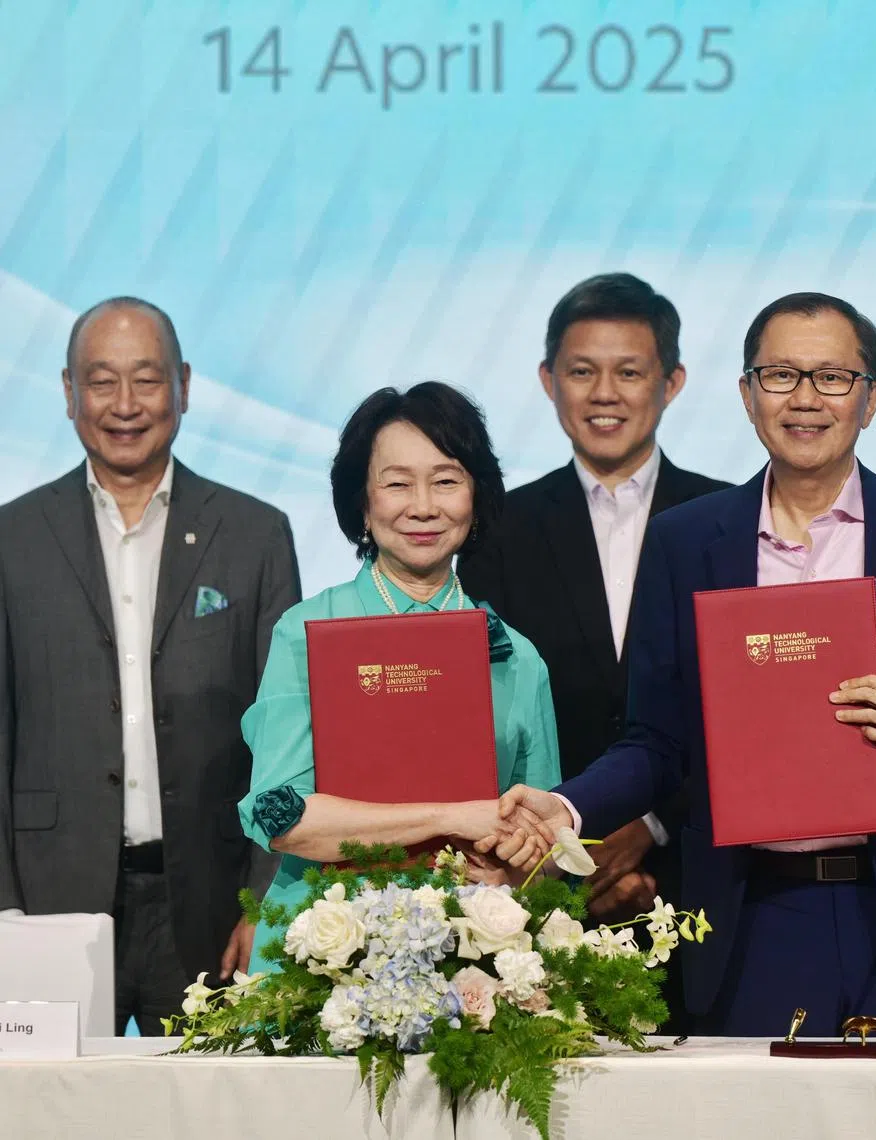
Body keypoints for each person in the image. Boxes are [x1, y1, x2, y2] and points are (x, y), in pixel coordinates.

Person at [489, 292, 876, 1036]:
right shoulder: (688, 542)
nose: (805, 399)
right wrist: (570, 807)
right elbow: (657, 739)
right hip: (750, 917)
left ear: (871, 399)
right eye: (780, 376)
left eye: (833, 378)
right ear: (747, 395)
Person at [0, 297, 301, 1034]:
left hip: (212, 899)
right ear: (69, 393)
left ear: (186, 386)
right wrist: (4, 911)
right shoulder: (13, 538)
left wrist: (266, 907)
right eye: (101, 382)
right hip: (47, 901)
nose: (125, 405)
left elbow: (290, 740)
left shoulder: (256, 535)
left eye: (147, 380)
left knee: (215, 1110)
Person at [239, 382, 561, 972]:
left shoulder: (518, 656)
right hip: (319, 952)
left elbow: (541, 855)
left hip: (471, 964)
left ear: (477, 495)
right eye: (396, 483)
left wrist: (517, 858)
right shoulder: (306, 631)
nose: (422, 506)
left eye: (446, 480)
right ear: (362, 500)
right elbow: (282, 819)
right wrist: (449, 818)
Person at [459, 273, 729, 923]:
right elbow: (484, 713)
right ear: (549, 380)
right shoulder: (496, 529)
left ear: (672, 383)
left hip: (703, 878)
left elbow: (746, 713)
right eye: (582, 371)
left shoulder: (726, 522)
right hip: (539, 883)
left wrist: (652, 829)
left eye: (629, 372)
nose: (604, 394)